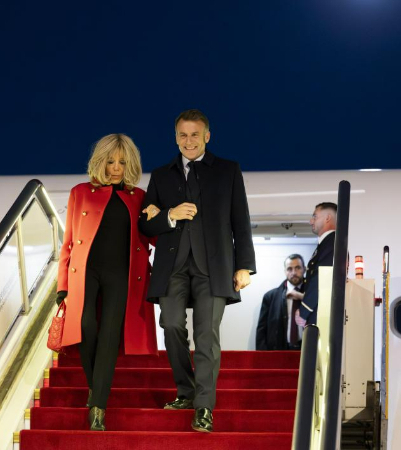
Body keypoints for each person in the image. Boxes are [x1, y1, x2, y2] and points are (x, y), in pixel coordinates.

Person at [139, 109, 256, 433]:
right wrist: (170, 215)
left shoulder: (228, 170)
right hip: (172, 268)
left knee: (206, 336)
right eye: (182, 135)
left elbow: (240, 220)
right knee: (171, 326)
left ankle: (204, 407)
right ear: (175, 137)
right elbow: (145, 225)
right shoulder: (160, 175)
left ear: (207, 136)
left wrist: (244, 266)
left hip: (214, 269)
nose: (188, 141)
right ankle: (186, 391)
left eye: (194, 134)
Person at [55, 134, 159, 431]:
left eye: (122, 162)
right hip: (85, 271)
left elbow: (153, 237)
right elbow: (68, 243)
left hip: (122, 273)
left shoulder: (139, 197)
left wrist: (161, 216)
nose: (116, 168)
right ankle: (96, 388)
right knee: (86, 326)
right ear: (100, 162)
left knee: (110, 335)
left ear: (131, 164)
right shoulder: (80, 192)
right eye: (111, 161)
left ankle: (98, 405)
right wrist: (62, 286)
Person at [296, 202, 337, 327]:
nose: (311, 221)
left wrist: (304, 310)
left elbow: (322, 277)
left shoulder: (332, 242)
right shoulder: (326, 244)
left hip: (322, 316)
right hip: (319, 315)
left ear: (327, 218)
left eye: (315, 216)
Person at [256, 254, 306, 350]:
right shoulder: (270, 297)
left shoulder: (315, 294)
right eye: (289, 269)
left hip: (308, 350)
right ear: (285, 271)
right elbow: (262, 330)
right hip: (279, 350)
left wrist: (303, 297)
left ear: (304, 269)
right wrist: (262, 355)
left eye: (298, 268)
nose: (294, 272)